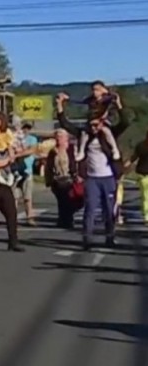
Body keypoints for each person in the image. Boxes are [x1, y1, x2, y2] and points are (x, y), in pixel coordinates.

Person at [56, 92, 127, 249]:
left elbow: (125, 122)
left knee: (109, 210)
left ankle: (110, 237)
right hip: (92, 179)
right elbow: (65, 124)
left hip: (108, 178)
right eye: (92, 125)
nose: (94, 128)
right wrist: (60, 105)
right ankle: (87, 238)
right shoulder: (84, 134)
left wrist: (119, 104)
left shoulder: (109, 133)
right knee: (90, 208)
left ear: (102, 123)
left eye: (97, 125)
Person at [45, 128, 82, 229]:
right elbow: (48, 166)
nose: (58, 139)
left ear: (66, 138)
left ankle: (67, 219)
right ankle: (64, 220)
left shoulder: (71, 149)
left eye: (60, 137)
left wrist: (78, 174)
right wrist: (48, 181)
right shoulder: (53, 152)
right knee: (62, 201)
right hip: (57, 180)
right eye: (56, 137)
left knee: (73, 200)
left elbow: (77, 162)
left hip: (70, 179)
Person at [14, 122, 40, 226]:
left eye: (28, 128)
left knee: (27, 197)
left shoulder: (32, 139)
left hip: (27, 170)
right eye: (23, 127)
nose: (25, 130)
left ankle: (30, 218)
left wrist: (18, 153)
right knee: (14, 197)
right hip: (15, 171)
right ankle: (13, 218)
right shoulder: (14, 138)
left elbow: (31, 150)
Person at [124, 129, 148, 224]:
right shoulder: (141, 146)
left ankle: (147, 216)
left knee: (145, 196)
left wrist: (126, 164)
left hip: (142, 174)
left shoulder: (141, 145)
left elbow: (134, 157)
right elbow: (134, 157)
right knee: (145, 196)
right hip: (143, 174)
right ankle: (146, 216)